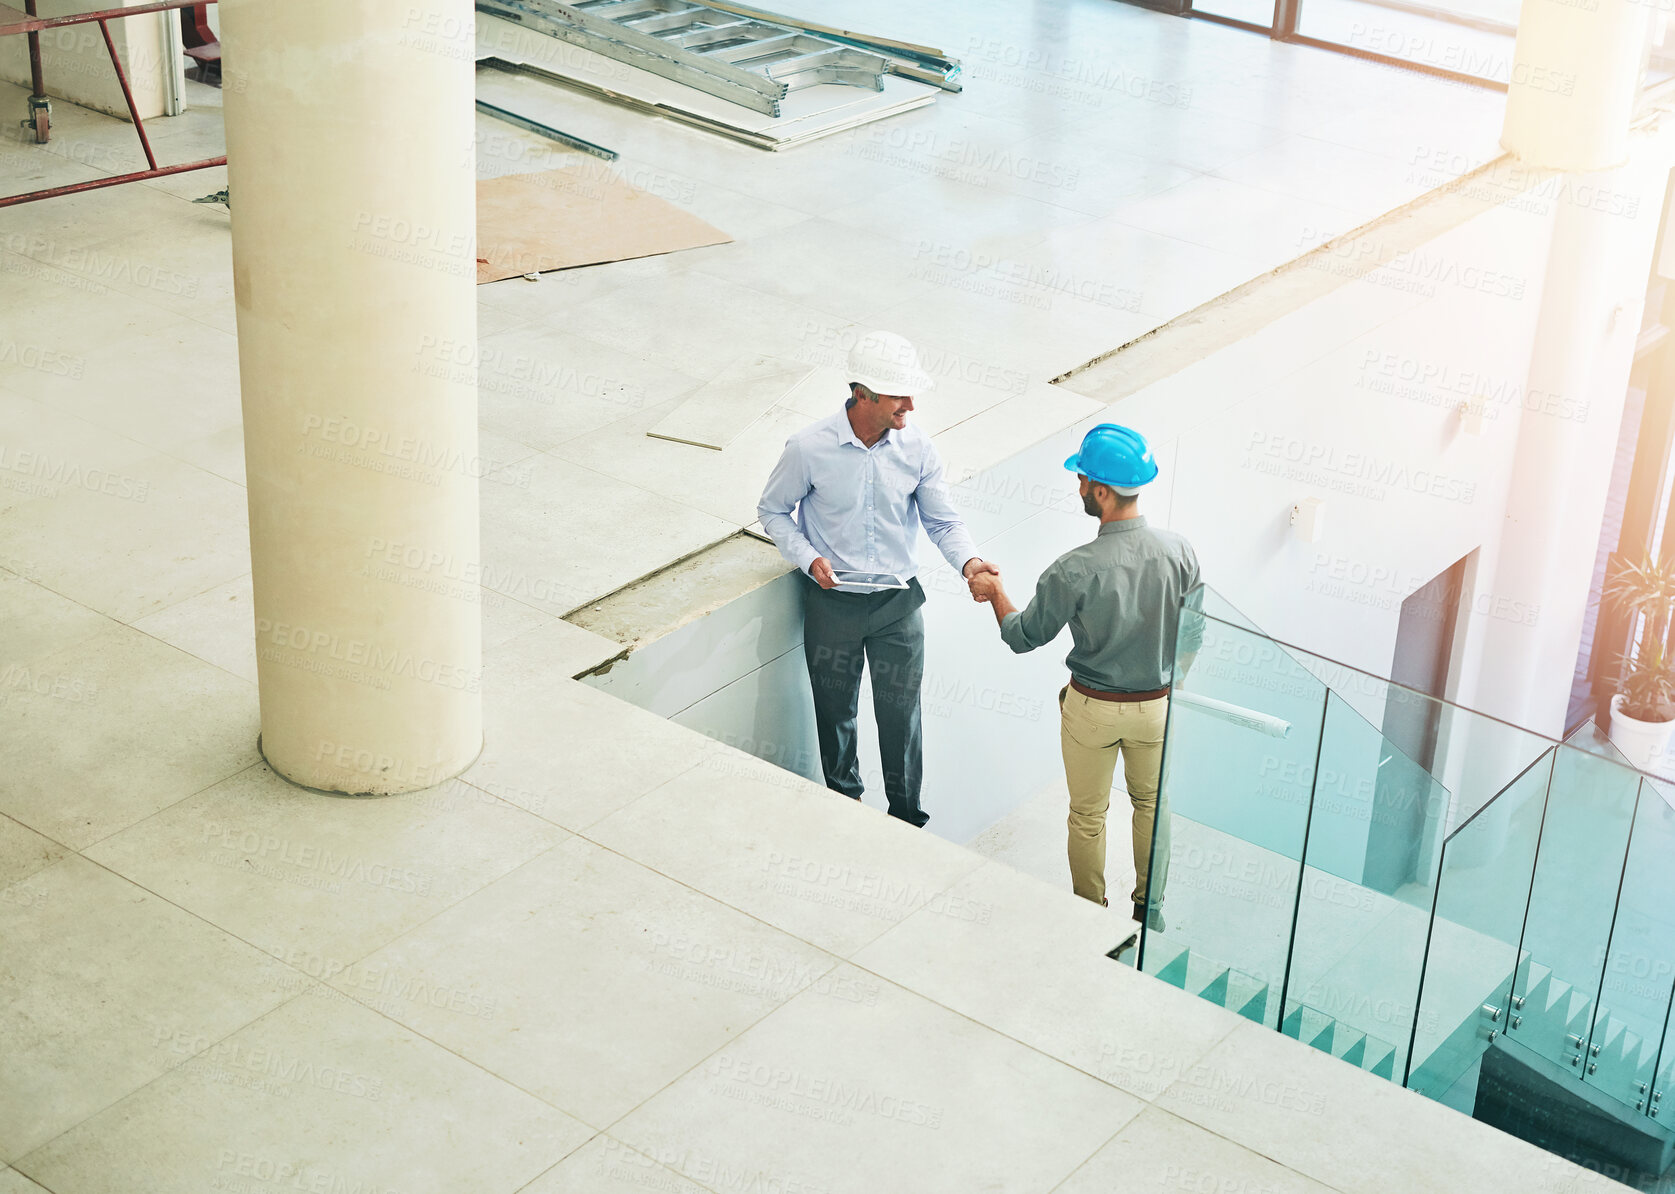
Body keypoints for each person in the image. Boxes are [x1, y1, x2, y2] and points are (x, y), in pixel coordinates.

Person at [757, 330, 998, 827]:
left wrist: (970, 563)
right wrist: (806, 557)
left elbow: (943, 522)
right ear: (861, 394)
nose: (910, 404)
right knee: (835, 715)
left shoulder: (918, 450)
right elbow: (773, 509)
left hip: (898, 608)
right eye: (897, 394)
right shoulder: (808, 448)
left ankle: (906, 820)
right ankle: (847, 817)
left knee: (901, 721)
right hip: (832, 603)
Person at [969, 424, 1200, 928]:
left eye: (1083, 480)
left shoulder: (1073, 569)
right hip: (1157, 705)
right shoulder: (1180, 552)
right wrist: (1169, 684)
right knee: (1152, 808)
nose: (1078, 489)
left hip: (1092, 709)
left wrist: (996, 591)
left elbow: (1021, 635)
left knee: (1088, 816)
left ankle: (1090, 919)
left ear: (1102, 491)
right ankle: (1150, 909)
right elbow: (1196, 632)